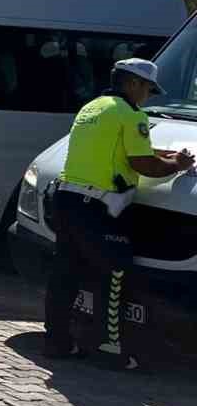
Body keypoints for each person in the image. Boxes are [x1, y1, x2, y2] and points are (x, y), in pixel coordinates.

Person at [43, 57, 193, 366]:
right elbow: (144, 165)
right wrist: (177, 164)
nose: (149, 96)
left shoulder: (95, 107)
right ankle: (109, 350)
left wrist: (161, 153)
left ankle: (57, 342)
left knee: (65, 274)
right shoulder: (130, 113)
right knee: (115, 270)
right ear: (134, 83)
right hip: (95, 208)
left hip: (67, 201)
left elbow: (118, 148)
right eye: (149, 89)